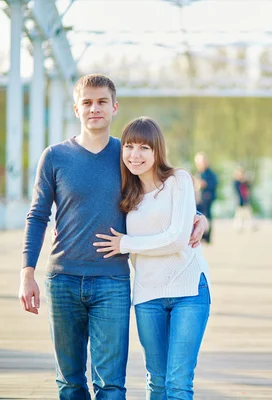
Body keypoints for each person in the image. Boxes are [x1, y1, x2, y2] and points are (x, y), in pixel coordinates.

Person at [18, 74, 207, 399]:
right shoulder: (54, 156)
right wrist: (27, 272)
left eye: (102, 101)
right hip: (62, 279)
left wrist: (197, 218)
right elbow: (37, 216)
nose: (95, 108)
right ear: (76, 108)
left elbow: (162, 191)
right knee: (70, 382)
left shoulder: (128, 156)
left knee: (111, 385)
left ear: (114, 107)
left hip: (113, 282)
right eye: (87, 102)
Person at [93, 117, 211, 400]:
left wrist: (126, 244)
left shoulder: (178, 180)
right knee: (156, 383)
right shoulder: (124, 192)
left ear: (157, 150)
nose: (135, 155)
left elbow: (176, 238)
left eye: (144, 147)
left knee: (178, 383)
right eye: (129, 147)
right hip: (147, 295)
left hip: (189, 292)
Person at [193, 152, 218, 244]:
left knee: (207, 217)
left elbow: (214, 185)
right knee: (197, 217)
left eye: (201, 163)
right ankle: (200, 235)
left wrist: (204, 184)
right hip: (198, 200)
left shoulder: (210, 174)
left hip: (207, 199)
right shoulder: (197, 173)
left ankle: (207, 236)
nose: (200, 165)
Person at [232, 166, 256, 231]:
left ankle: (251, 225)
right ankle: (238, 226)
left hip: (245, 200)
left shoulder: (245, 182)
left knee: (248, 213)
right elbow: (237, 192)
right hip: (239, 201)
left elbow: (249, 187)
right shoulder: (236, 182)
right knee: (239, 214)